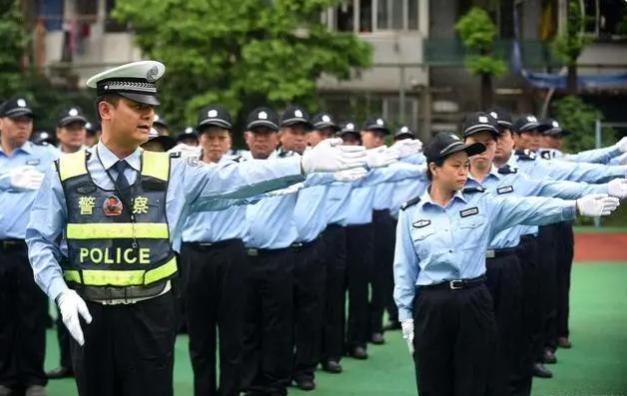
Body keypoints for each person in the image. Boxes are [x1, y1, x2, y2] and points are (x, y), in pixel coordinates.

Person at [25, 61, 366, 396]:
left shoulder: (173, 170)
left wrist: (302, 164)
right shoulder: (64, 172)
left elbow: (236, 178)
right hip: (89, 312)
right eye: (137, 106)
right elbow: (40, 240)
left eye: (151, 108)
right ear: (105, 109)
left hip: (151, 312)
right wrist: (60, 292)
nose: (149, 115)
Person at [394, 131, 620, 396]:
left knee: (476, 382)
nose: (464, 171)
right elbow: (404, 269)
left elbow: (528, 207)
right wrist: (406, 319)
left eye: (466, 165)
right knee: (433, 384)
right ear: (434, 168)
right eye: (456, 165)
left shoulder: (483, 203)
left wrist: (576, 207)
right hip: (431, 305)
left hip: (474, 299)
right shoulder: (410, 213)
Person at [462, 112, 627, 395]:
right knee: (473, 342)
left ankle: (520, 378)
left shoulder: (523, 174)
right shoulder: (454, 176)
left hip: (515, 255)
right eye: (482, 140)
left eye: (498, 137)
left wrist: (606, 183)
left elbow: (569, 178)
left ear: (510, 139)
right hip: (470, 266)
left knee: (518, 328)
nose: (493, 144)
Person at [180, 104, 248, 396]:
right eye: (209, 137)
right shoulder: (184, 167)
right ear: (199, 139)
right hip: (194, 255)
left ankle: (230, 392)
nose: (216, 143)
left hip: (230, 253)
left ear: (230, 140)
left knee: (232, 333)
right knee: (199, 335)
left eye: (221, 137)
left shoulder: (241, 167)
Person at [0, 97, 56, 396]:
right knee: (3, 316)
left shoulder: (44, 155)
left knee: (32, 315)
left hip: (30, 248)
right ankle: (7, 377)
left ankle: (34, 377)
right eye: (16, 119)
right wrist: (7, 178)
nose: (23, 125)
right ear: (1, 122)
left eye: (27, 120)